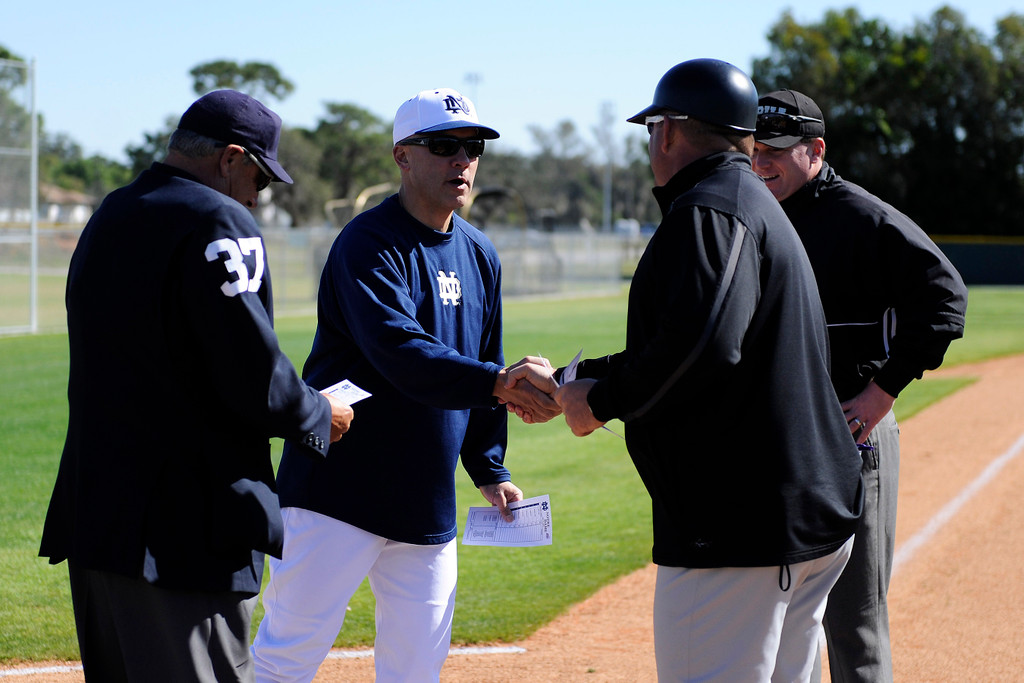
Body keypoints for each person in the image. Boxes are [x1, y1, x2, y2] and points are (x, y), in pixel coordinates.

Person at [510, 59, 864, 681]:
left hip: (739, 531)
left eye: (652, 130)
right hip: (798, 518)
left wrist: (600, 400)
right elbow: (699, 337)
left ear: (669, 132)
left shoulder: (712, 208)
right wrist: (576, 376)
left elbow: (705, 343)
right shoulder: (751, 202)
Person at [38, 89, 355, 682]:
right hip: (184, 527)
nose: (257, 197)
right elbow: (251, 374)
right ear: (231, 158)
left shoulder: (113, 210)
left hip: (100, 512)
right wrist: (320, 413)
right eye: (258, 177)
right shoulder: (217, 216)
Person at [251, 87, 559, 683]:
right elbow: (401, 352)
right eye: (444, 146)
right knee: (287, 655)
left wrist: (490, 466)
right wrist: (499, 383)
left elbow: (483, 359)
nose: (462, 161)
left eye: (473, 148)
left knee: (416, 668)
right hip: (336, 490)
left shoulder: (480, 253)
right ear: (403, 156)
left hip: (424, 498)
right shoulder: (366, 244)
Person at [753, 89, 968, 683]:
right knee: (780, 618)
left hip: (853, 437)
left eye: (775, 149)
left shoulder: (860, 215)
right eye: (753, 149)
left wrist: (883, 390)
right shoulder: (757, 214)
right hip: (781, 446)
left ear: (814, 150)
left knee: (854, 625)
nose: (761, 161)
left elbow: (945, 298)